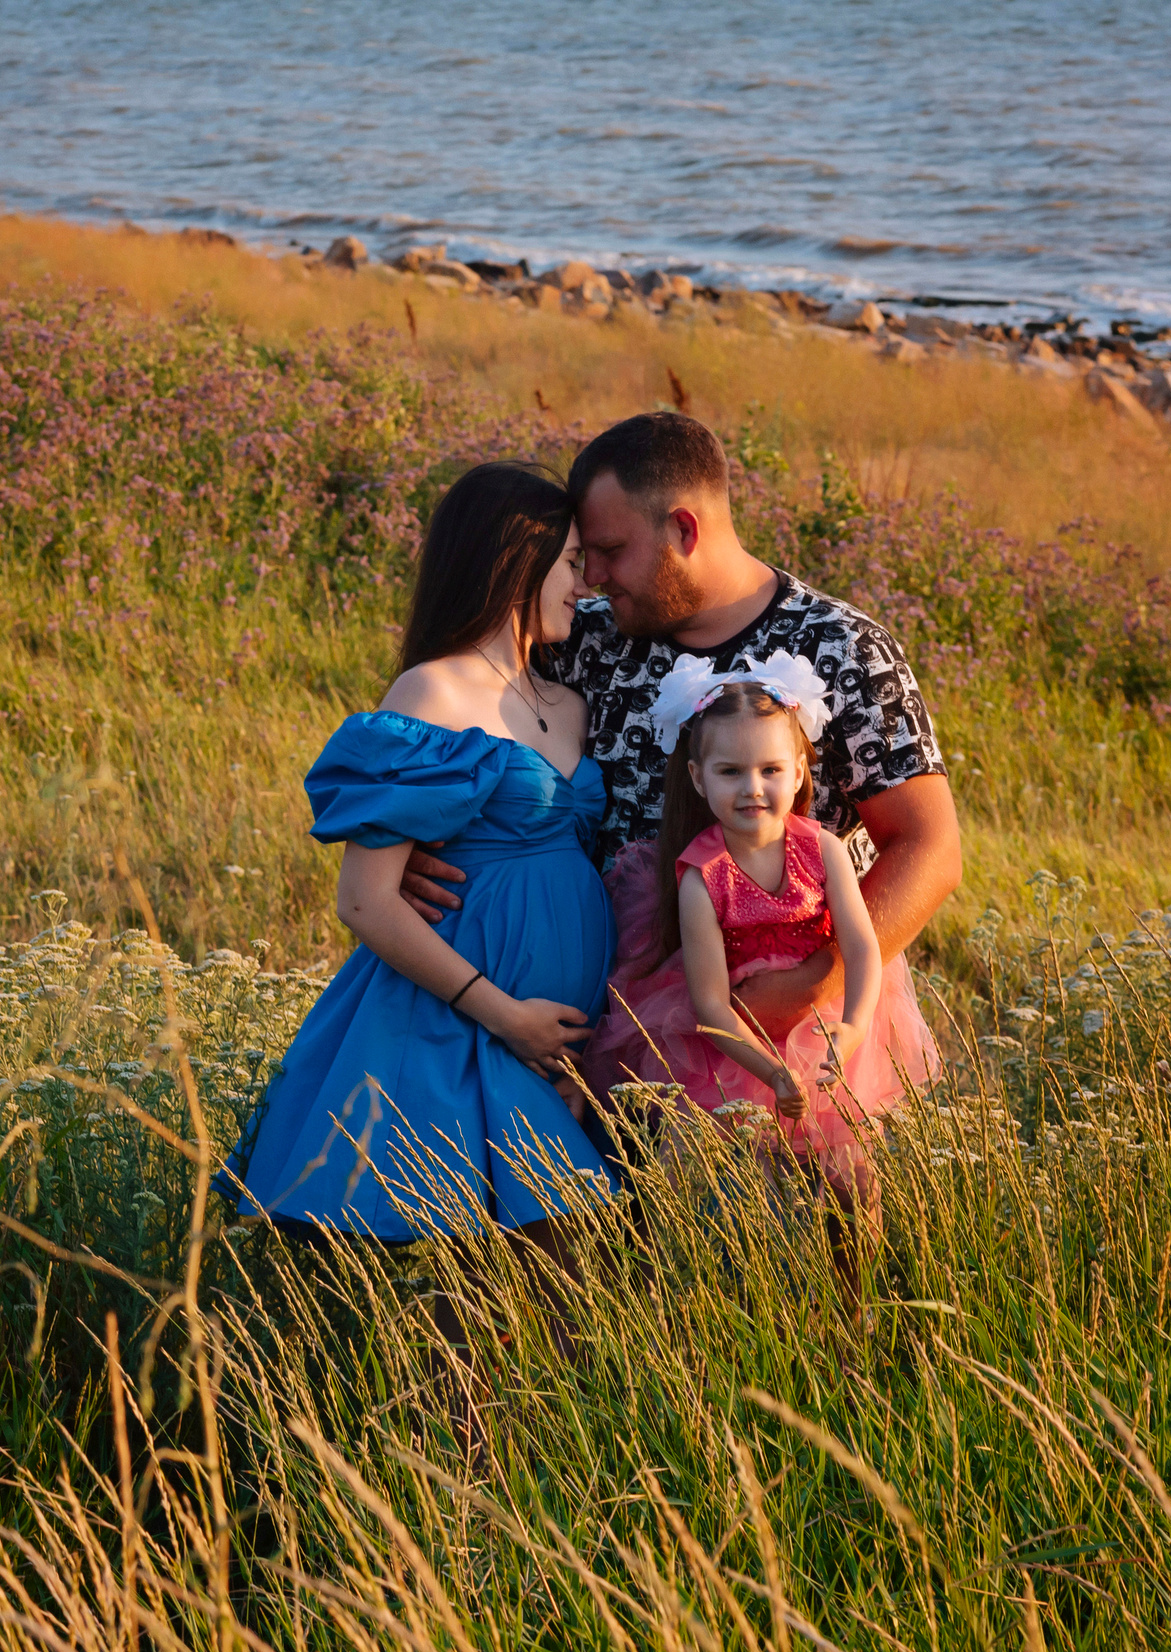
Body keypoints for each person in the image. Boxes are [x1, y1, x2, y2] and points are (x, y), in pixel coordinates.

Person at [403, 410, 958, 1085]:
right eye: (584, 557)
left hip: (788, 1024)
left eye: (609, 549)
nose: (593, 577)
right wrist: (416, 850)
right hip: (604, 1018)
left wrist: (818, 980)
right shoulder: (585, 640)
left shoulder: (842, 649)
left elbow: (930, 846)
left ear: (684, 529)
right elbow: (458, 723)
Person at [218, 462, 614, 1247]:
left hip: (558, 1037)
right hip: (461, 1022)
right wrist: (510, 1019)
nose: (584, 583)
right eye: (571, 561)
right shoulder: (430, 695)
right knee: (486, 1281)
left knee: (554, 1280)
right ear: (517, 560)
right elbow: (365, 899)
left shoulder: (570, 700)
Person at [584, 662, 935, 1226]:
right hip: (732, 1045)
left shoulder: (824, 849)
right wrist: (772, 1071)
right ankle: (733, 1293)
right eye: (731, 771)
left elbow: (865, 947)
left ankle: (856, 1304)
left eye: (770, 769)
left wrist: (854, 1026)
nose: (752, 788)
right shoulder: (701, 876)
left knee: (852, 1185)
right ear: (699, 779)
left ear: (798, 772)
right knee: (739, 1192)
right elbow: (710, 1005)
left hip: (825, 1024)